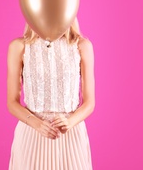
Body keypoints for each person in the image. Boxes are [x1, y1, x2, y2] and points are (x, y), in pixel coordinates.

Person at [7, 17, 95, 170]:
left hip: (70, 136)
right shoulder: (19, 46)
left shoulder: (82, 46)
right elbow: (12, 102)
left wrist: (70, 122)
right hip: (32, 135)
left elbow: (89, 103)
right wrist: (37, 124)